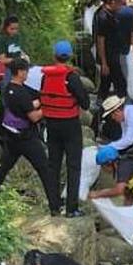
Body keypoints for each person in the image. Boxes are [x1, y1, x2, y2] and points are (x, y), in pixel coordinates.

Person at [0, 58, 58, 210]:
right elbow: (33, 116)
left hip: (11, 138)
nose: (27, 73)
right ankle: (55, 205)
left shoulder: (8, 88)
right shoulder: (21, 92)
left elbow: (27, 105)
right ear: (21, 72)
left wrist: (41, 100)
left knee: (2, 169)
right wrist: (48, 107)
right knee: (45, 169)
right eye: (26, 70)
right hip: (27, 139)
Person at [41, 41, 90, 216]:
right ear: (69, 57)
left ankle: (54, 206)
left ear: (54, 56)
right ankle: (72, 208)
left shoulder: (45, 76)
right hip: (70, 125)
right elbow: (85, 103)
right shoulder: (72, 77)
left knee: (53, 165)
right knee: (73, 166)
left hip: (51, 124)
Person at [93, 0, 130, 99]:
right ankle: (122, 105)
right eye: (119, 3)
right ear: (112, 2)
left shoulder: (110, 13)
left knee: (106, 83)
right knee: (120, 84)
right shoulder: (103, 17)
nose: (121, 6)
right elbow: (100, 41)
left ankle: (101, 104)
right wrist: (104, 63)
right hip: (108, 57)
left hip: (113, 54)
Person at [0, 15, 25, 88]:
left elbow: (18, 49)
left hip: (18, 67)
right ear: (6, 28)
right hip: (7, 69)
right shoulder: (1, 40)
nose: (14, 31)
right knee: (7, 87)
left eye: (16, 29)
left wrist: (24, 55)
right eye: (12, 29)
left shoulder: (17, 37)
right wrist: (17, 59)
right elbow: (2, 60)